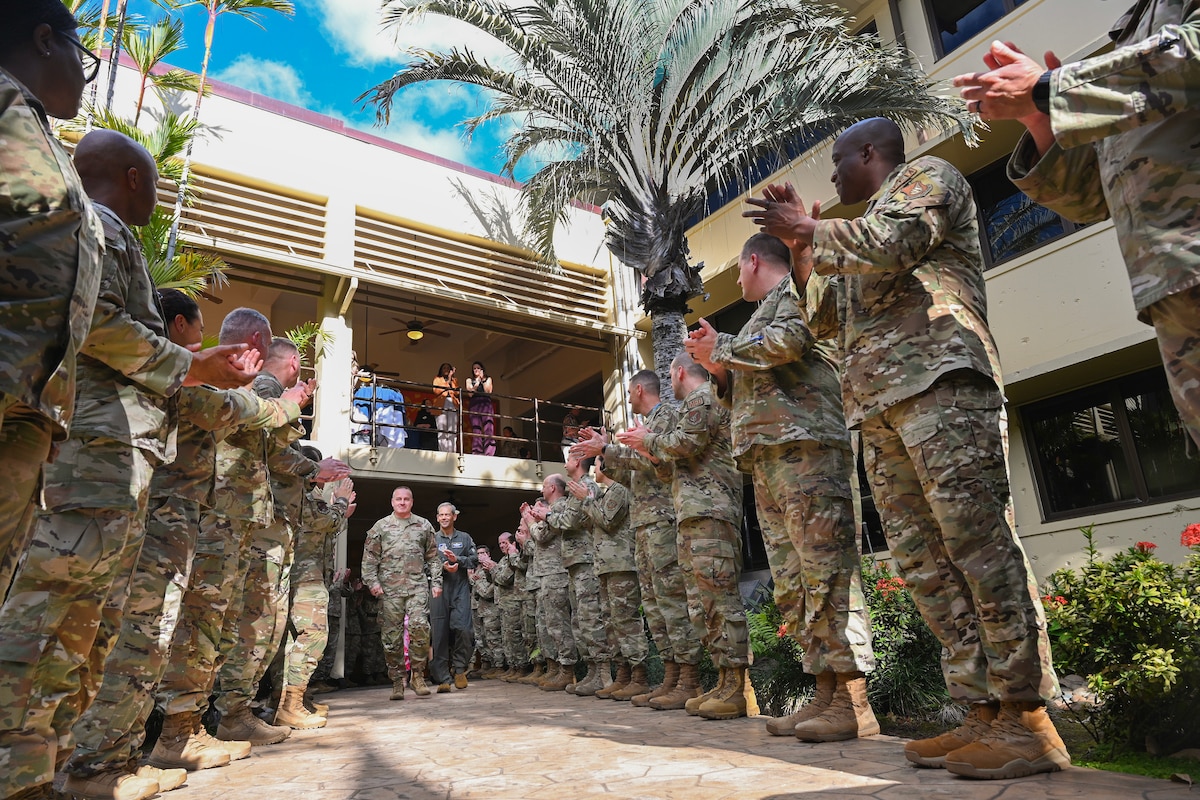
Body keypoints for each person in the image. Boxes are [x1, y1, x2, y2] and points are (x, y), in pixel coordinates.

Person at [744, 117, 1067, 779]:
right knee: (926, 566)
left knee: (976, 546)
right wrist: (803, 251)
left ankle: (1028, 718)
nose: (832, 178)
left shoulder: (927, 180)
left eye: (838, 162)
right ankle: (980, 713)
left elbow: (895, 244)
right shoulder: (845, 237)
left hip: (941, 384)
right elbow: (826, 319)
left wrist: (809, 230)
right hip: (880, 410)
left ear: (870, 153)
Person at [0, 129, 261, 800]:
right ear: (134, 178)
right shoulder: (102, 228)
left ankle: (64, 770)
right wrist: (190, 365)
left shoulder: (104, 231)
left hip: (113, 460)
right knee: (52, 616)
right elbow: (101, 325)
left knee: (87, 624)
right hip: (94, 454)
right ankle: (25, 772)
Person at [64, 290, 311, 795]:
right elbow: (226, 413)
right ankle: (104, 759)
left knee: (163, 631)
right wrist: (279, 406)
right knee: (146, 632)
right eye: (198, 333)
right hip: (165, 514)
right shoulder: (168, 366)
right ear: (176, 326)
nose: (204, 343)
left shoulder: (171, 366)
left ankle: (145, 745)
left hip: (178, 515)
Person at [952, 8, 1200, 450]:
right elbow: (1088, 200)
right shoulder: (1133, 30)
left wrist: (1050, 91)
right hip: (1170, 284)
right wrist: (1041, 120)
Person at [686, 233, 878, 741]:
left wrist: (722, 348)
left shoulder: (792, 292)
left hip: (808, 451)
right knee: (795, 585)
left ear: (753, 261)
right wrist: (719, 371)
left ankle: (853, 699)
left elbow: (791, 342)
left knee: (828, 573)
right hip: (770, 460)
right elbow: (740, 400)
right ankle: (825, 691)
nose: (737, 279)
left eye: (738, 271)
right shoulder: (754, 321)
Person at [0, 0, 103, 600]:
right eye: (80, 54)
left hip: (27, 407)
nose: (84, 75)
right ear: (45, 39)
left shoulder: (39, 134)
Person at [214, 338, 347, 746]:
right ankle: (235, 714)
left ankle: (245, 711)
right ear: (293, 362)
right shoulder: (268, 390)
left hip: (264, 528)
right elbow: (277, 454)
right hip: (261, 530)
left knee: (261, 625)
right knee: (256, 624)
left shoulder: (261, 391)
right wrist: (315, 469)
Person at [618, 352, 751, 718]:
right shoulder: (695, 402)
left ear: (678, 373)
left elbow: (683, 444)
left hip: (712, 510)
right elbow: (669, 468)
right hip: (692, 514)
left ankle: (738, 687)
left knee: (718, 600)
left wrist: (648, 441)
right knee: (702, 604)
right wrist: (648, 446)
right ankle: (725, 681)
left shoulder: (704, 397)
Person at [572, 371, 701, 707]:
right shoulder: (644, 425)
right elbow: (633, 475)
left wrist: (609, 449)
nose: (628, 397)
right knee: (657, 608)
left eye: (629, 392)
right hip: (643, 526)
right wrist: (606, 454)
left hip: (662, 522)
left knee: (671, 603)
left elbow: (657, 460)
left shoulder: (666, 418)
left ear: (639, 389)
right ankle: (672, 677)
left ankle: (689, 680)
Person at [275, 471, 354, 730]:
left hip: (306, 572)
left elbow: (326, 528)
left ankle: (294, 700)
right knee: (312, 636)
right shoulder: (305, 495)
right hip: (304, 575)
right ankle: (290, 705)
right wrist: (340, 503)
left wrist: (338, 512)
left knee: (294, 640)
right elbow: (326, 521)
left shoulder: (306, 495)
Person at [575, 455, 651, 701]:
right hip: (606, 565)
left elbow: (607, 521)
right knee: (610, 621)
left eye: (597, 465)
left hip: (621, 564)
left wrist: (587, 500)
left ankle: (639, 676)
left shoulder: (619, 490)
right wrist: (587, 503)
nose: (595, 469)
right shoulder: (605, 494)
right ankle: (623, 675)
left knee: (625, 619)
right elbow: (591, 524)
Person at [536, 459, 611, 696]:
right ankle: (591, 671)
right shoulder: (573, 491)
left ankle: (603, 673)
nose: (565, 463)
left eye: (569, 458)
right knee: (580, 621)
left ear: (577, 462)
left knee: (590, 618)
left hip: (586, 561)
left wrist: (546, 516)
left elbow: (569, 521)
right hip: (574, 564)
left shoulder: (587, 485)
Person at [361, 486, 443, 700]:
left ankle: (417, 675)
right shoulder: (381, 526)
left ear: (412, 502)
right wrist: (372, 583)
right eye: (399, 499)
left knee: (420, 630)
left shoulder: (424, 525)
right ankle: (398, 681)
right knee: (391, 637)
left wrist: (437, 582)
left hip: (417, 587)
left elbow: (433, 558)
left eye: (406, 499)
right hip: (389, 590)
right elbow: (369, 559)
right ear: (392, 501)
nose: (402, 502)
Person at [523, 496, 577, 691]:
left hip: (556, 573)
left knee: (558, 624)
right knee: (549, 625)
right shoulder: (547, 517)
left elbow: (541, 537)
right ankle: (556, 668)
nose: (534, 510)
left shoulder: (557, 509)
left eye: (537, 506)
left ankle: (566, 669)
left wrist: (530, 522)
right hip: (546, 575)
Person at [429, 502, 479, 691]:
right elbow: (424, 563)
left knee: (464, 630)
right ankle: (443, 677)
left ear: (454, 516)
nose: (444, 518)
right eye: (440, 515)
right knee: (439, 634)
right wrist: (442, 565)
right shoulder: (432, 539)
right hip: (439, 590)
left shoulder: (465, 538)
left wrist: (457, 560)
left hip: (460, 589)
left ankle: (459, 669)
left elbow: (474, 560)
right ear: (437, 517)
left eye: (447, 514)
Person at [465, 361, 496, 455]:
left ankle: (489, 451)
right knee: (476, 428)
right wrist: (477, 383)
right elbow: (470, 393)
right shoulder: (469, 380)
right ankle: (476, 451)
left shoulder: (488, 379)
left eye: (478, 368)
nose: (476, 370)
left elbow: (488, 391)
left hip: (485, 402)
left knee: (488, 426)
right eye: (474, 368)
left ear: (482, 369)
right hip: (474, 403)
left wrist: (482, 380)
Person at [433, 363, 460, 453]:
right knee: (442, 428)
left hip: (452, 403)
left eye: (448, 368)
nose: (446, 369)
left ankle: (452, 451)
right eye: (444, 368)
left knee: (452, 429)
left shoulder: (454, 380)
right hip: (441, 404)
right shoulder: (437, 379)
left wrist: (451, 379)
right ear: (441, 369)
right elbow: (436, 391)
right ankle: (443, 451)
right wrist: (448, 381)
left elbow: (457, 393)